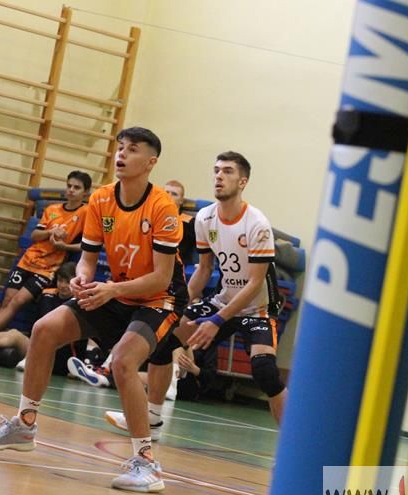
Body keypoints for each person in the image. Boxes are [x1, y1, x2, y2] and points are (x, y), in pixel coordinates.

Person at [0, 127, 187, 493]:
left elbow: (161, 277)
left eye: (132, 149)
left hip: (159, 299)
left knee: (123, 362)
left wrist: (111, 289)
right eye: (120, 147)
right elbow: (87, 259)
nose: (122, 154)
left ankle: (147, 465)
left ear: (150, 162)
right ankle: (24, 425)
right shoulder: (101, 199)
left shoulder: (163, 208)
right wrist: (81, 280)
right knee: (44, 329)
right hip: (116, 291)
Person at [105, 151, 288, 440]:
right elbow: (204, 269)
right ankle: (152, 418)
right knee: (164, 342)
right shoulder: (205, 218)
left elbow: (254, 283)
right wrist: (177, 308)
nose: (219, 176)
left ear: (243, 182)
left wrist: (217, 320)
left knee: (264, 370)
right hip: (223, 299)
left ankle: (292, 446)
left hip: (259, 307)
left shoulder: (257, 224)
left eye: (227, 171)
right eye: (216, 170)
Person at [0, 171, 91, 355]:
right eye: (69, 186)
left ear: (86, 192)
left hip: (48, 268)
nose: (71, 190)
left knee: (18, 301)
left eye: (77, 187)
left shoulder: (86, 213)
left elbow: (88, 244)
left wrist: (65, 246)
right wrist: (51, 232)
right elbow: (35, 235)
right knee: (8, 299)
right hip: (28, 260)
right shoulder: (52, 209)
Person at [0, 262, 89, 375]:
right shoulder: (47, 295)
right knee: (14, 334)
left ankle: (29, 359)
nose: (63, 285)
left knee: (47, 334)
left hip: (63, 357)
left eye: (67, 282)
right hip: (39, 346)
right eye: (60, 280)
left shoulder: (79, 303)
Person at [164, 180, 195, 266]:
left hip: (179, 266)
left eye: (174, 194)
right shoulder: (150, 218)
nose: (169, 196)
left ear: (181, 201)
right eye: (166, 192)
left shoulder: (189, 222)